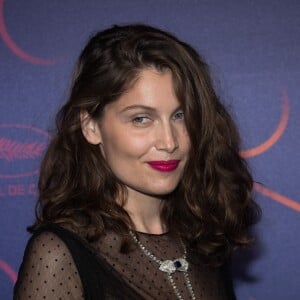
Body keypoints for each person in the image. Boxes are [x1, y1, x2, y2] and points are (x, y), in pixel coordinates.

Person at [14, 24, 260, 299]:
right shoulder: (59, 255)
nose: (169, 142)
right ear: (91, 126)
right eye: (141, 119)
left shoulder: (205, 234)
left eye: (180, 116)